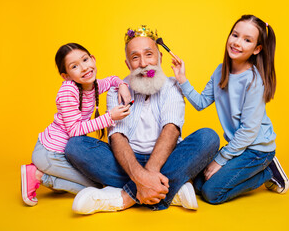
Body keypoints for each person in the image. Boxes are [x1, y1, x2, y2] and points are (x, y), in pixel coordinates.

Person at [65, 25, 220, 214]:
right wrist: (139, 175)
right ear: (128, 64)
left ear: (160, 58)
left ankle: (126, 197)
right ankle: (170, 190)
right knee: (75, 146)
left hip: (167, 159)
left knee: (208, 138)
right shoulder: (117, 89)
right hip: (127, 163)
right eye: (135, 57)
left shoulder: (173, 86)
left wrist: (150, 173)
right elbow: (117, 137)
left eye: (149, 54)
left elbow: (171, 129)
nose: (144, 64)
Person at [171, 14, 289, 205]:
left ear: (257, 49)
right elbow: (200, 103)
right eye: (235, 35)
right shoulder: (220, 71)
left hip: (257, 149)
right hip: (238, 145)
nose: (237, 43)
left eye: (247, 40)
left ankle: (268, 172)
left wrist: (220, 160)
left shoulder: (254, 81)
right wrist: (182, 79)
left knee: (211, 194)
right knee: (199, 185)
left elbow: (249, 131)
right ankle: (251, 169)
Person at [21, 43, 131, 206]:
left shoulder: (93, 85)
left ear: (93, 59)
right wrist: (110, 117)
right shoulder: (67, 91)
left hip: (66, 153)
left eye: (85, 60)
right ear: (66, 76)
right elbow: (74, 130)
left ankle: (49, 176)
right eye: (75, 66)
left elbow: (112, 80)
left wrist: (122, 85)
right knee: (95, 186)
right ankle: (38, 175)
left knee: (94, 181)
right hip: (51, 154)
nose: (84, 68)